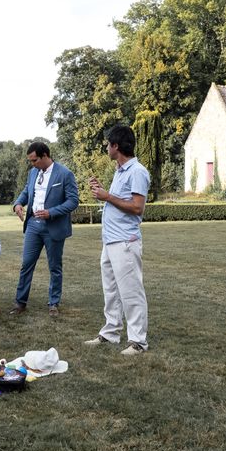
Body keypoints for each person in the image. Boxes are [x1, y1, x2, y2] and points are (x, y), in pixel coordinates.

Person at [83, 125, 150, 355]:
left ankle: (138, 342)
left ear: (116, 146)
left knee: (131, 292)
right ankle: (110, 333)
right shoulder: (120, 171)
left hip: (125, 242)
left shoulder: (137, 171)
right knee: (110, 291)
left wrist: (107, 196)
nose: (106, 148)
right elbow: (118, 202)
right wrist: (103, 192)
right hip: (110, 241)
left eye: (108, 144)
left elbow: (137, 207)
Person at [10, 141, 79, 317]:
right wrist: (18, 203)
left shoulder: (65, 174)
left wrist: (51, 212)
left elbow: (73, 201)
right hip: (33, 224)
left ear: (45, 156)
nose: (32, 164)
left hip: (53, 226)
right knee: (26, 264)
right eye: (31, 161)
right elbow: (27, 191)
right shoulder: (33, 172)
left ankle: (53, 303)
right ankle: (20, 302)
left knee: (55, 266)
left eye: (34, 160)